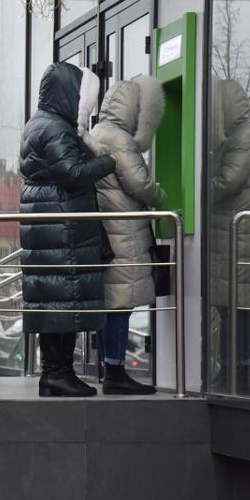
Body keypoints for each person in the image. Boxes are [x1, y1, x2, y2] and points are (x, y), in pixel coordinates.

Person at [19, 62, 117, 397]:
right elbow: (71, 172)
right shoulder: (57, 128)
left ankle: (56, 373)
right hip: (63, 227)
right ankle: (58, 373)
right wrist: (107, 161)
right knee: (65, 303)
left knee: (54, 304)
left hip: (50, 225)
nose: (85, 107)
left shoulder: (37, 124)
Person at [84, 75, 168, 396]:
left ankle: (111, 367)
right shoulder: (119, 139)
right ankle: (116, 371)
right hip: (125, 231)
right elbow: (139, 184)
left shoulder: (97, 133)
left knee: (112, 302)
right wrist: (164, 198)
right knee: (122, 302)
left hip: (109, 228)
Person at [210, 79, 250, 396]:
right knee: (232, 307)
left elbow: (228, 182)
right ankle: (235, 371)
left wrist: (201, 184)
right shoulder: (246, 134)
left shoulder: (245, 136)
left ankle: (239, 373)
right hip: (237, 233)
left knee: (238, 308)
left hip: (241, 234)